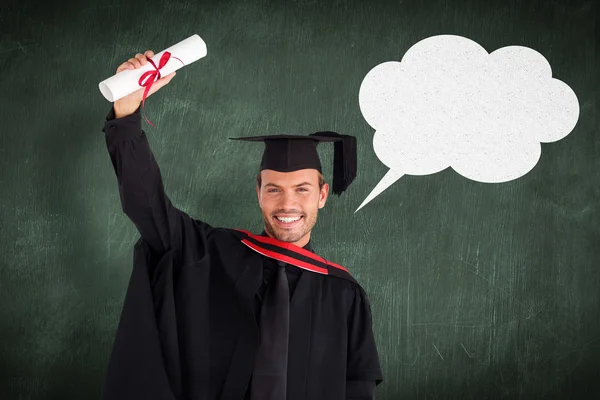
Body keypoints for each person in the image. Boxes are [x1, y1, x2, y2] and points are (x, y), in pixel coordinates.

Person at [101, 50, 383, 400]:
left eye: (302, 190)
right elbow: (146, 205)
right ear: (259, 193)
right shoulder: (207, 254)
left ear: (322, 195)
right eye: (274, 189)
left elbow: (358, 390)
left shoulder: (345, 295)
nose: (287, 204)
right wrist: (126, 113)